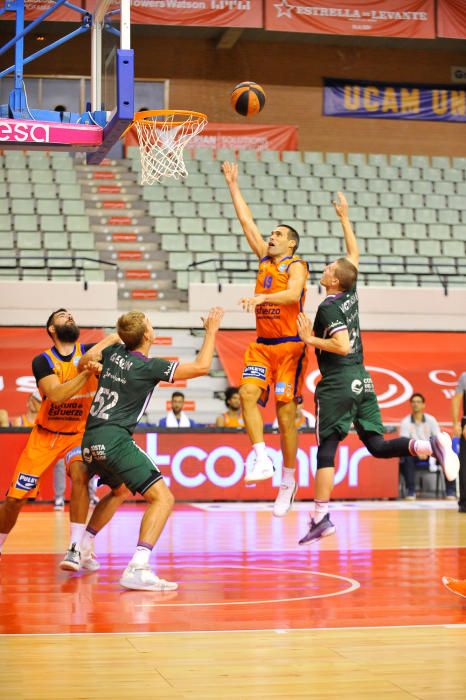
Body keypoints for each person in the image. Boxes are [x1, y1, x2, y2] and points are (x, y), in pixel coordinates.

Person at [295, 192, 460, 545]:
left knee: (326, 448)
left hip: (339, 381)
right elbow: (352, 258)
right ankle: (431, 445)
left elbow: (342, 345)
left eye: (328, 269)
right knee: (377, 445)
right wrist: (344, 218)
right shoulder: (350, 292)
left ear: (335, 281)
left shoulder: (327, 307)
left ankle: (320, 516)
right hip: (363, 379)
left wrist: (310, 339)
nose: (324, 269)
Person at [78, 307, 224, 590]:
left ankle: (83, 545)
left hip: (90, 438)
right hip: (115, 438)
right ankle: (138, 566)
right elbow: (202, 367)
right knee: (164, 498)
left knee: (119, 490)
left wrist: (111, 339)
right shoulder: (148, 366)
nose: (152, 327)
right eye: (150, 324)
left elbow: (85, 359)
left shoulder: (113, 354)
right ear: (147, 334)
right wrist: (212, 331)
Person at [222, 161, 308, 519]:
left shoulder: (297, 265)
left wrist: (261, 299)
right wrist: (233, 184)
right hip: (262, 344)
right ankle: (260, 456)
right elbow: (246, 222)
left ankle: (288, 481)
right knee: (246, 395)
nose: (270, 236)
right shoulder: (263, 259)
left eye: (278, 234)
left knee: (286, 419)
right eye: (270, 233)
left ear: (290, 242)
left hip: (289, 347)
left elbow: (293, 296)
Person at [0, 308, 117, 569]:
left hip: (77, 434)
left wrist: (106, 343)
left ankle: (76, 548)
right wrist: (87, 371)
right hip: (44, 436)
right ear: (52, 329)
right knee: (14, 500)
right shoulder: (42, 361)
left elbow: (119, 339)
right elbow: (57, 395)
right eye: (62, 316)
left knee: (80, 475)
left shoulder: (89, 350)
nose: (70, 317)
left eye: (71, 315)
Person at [399, 393, 456, 500]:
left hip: (431, 451)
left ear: (423, 405)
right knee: (406, 457)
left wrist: (427, 450)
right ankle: (410, 490)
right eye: (413, 402)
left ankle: (450, 490)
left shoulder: (431, 420)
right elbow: (404, 442)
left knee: (446, 454)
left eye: (418, 402)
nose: (415, 404)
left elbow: (438, 439)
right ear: (410, 404)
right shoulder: (405, 422)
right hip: (414, 452)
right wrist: (419, 451)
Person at [452, 372, 466, 513]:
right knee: (465, 463)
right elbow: (457, 398)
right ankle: (465, 502)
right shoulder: (465, 377)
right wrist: (456, 423)